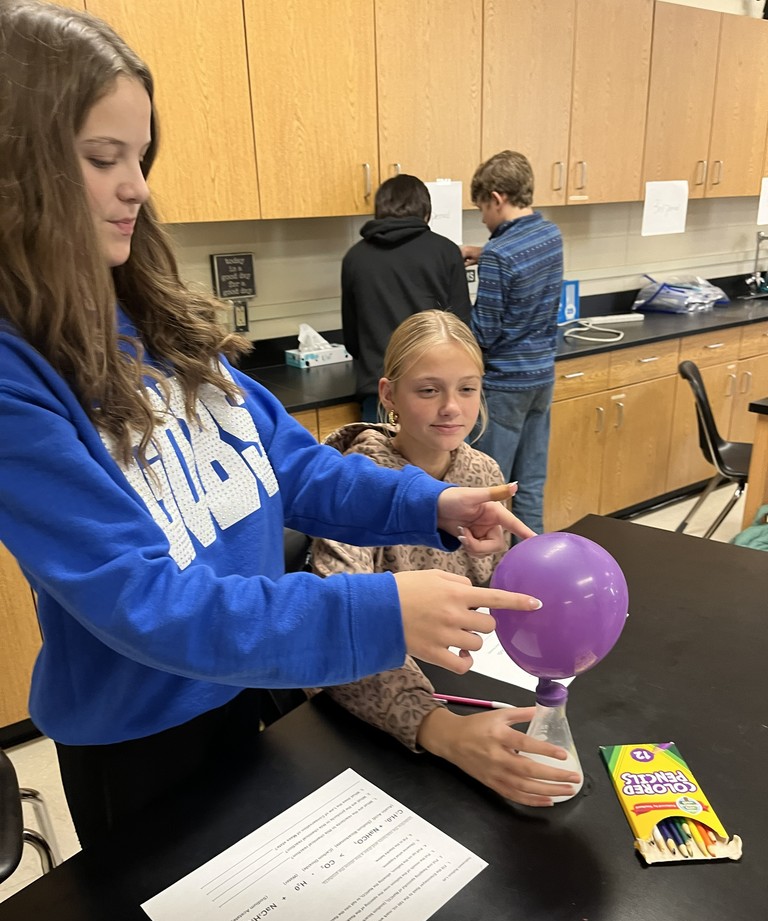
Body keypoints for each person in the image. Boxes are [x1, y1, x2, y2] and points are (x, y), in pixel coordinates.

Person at [0, 3, 543, 846]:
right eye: (103, 158)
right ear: (17, 168)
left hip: (255, 680)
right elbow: (146, 602)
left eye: (140, 157)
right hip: (141, 736)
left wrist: (426, 505)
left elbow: (291, 466)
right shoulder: (16, 382)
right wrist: (374, 612)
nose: (136, 186)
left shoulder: (156, 323)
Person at [311, 311, 581, 806]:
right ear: (389, 395)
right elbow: (339, 630)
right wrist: (436, 724)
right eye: (428, 390)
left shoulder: (482, 472)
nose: (452, 408)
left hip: (467, 673)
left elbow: (497, 594)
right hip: (385, 703)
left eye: (467, 389)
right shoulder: (355, 483)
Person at [461, 151, 564, 536]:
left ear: (497, 198)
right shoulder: (551, 235)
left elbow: (484, 333)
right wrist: (483, 252)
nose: (482, 219)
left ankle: (489, 567)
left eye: (481, 209)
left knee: (490, 490)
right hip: (541, 378)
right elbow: (522, 259)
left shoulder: (499, 256)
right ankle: (531, 560)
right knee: (530, 483)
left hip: (505, 386)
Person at [341, 174, 471, 423]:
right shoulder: (445, 252)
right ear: (426, 212)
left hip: (380, 390)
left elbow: (352, 340)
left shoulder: (355, 258)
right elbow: (461, 328)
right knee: (435, 451)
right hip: (435, 391)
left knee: (380, 449)